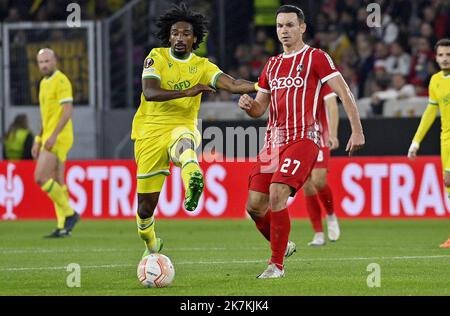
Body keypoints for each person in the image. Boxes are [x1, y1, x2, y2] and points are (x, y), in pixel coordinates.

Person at [239, 5, 365, 278]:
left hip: (304, 138)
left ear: (302, 27)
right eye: (280, 26)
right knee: (254, 205)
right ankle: (282, 244)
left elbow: (344, 92)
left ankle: (276, 266)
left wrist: (357, 130)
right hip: (273, 141)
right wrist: (249, 106)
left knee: (276, 195)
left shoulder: (316, 58)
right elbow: (260, 109)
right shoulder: (271, 64)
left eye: (289, 25)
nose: (284, 31)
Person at [132, 3, 257, 258]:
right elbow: (150, 92)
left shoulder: (202, 65)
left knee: (184, 146)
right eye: (176, 33)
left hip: (182, 126)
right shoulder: (156, 56)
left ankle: (193, 181)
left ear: (195, 38)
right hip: (149, 132)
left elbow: (233, 85)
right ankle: (151, 242)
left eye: (186, 34)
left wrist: (261, 85)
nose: (180, 38)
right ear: (169, 36)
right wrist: (187, 91)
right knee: (145, 209)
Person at [407, 38, 450, 249]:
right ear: (436, 57)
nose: (445, 58)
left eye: (448, 54)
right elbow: (430, 112)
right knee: (448, 186)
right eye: (441, 54)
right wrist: (416, 141)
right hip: (446, 140)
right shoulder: (435, 81)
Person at [33, 48, 79, 238]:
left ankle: (70, 214)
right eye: (41, 62)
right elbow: (47, 117)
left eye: (47, 61)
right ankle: (63, 226)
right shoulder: (44, 83)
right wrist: (38, 138)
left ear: (55, 61)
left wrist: (53, 136)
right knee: (57, 180)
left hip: (59, 137)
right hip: (49, 136)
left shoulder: (61, 80)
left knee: (40, 177)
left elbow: (67, 111)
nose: (44, 65)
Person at [303, 85, 341, 246]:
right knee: (307, 185)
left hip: (320, 136)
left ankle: (331, 215)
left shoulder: (322, 82)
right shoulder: (296, 82)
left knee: (318, 181)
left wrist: (333, 134)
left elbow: (332, 106)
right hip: (299, 137)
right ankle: (318, 233)